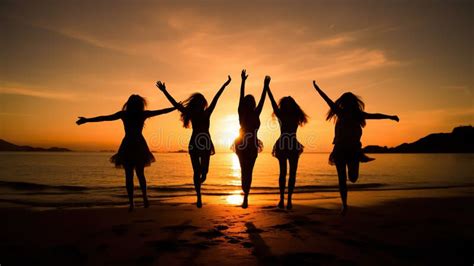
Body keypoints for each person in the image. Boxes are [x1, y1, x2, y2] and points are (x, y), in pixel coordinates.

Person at [312, 81, 399, 215]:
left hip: (353, 151)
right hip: (340, 150)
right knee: (341, 179)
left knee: (352, 178)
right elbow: (327, 100)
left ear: (353, 103)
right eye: (346, 102)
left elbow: (375, 115)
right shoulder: (339, 112)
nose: (347, 105)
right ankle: (344, 205)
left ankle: (345, 201)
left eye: (349, 102)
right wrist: (317, 89)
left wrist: (390, 117)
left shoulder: (359, 115)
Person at [76, 95, 176, 212]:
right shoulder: (140, 114)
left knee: (130, 175)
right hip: (137, 145)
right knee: (139, 174)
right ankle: (144, 199)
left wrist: (87, 120)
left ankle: (133, 203)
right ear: (140, 104)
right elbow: (162, 112)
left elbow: (105, 118)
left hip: (129, 144)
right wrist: (175, 107)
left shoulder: (125, 114)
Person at [156, 76, 231, 208]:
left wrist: (225, 85)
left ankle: (199, 187)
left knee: (203, 172)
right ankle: (199, 197)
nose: (203, 105)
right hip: (199, 143)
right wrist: (164, 91)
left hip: (202, 143)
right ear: (200, 104)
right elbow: (175, 104)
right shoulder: (193, 113)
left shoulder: (207, 112)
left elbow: (216, 98)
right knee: (198, 171)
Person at [266, 78, 308, 209]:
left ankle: (289, 199)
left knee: (292, 173)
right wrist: (267, 88)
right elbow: (273, 102)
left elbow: (274, 104)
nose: (288, 105)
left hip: (292, 144)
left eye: (290, 103)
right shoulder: (281, 114)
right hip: (284, 144)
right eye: (287, 103)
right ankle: (282, 199)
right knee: (283, 172)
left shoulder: (296, 115)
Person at [233, 70, 267, 208]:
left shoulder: (255, 112)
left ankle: (246, 196)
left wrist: (265, 87)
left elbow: (262, 100)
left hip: (251, 145)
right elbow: (241, 97)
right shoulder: (242, 112)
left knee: (247, 171)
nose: (253, 103)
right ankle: (245, 195)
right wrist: (242, 81)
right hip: (244, 144)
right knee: (245, 170)